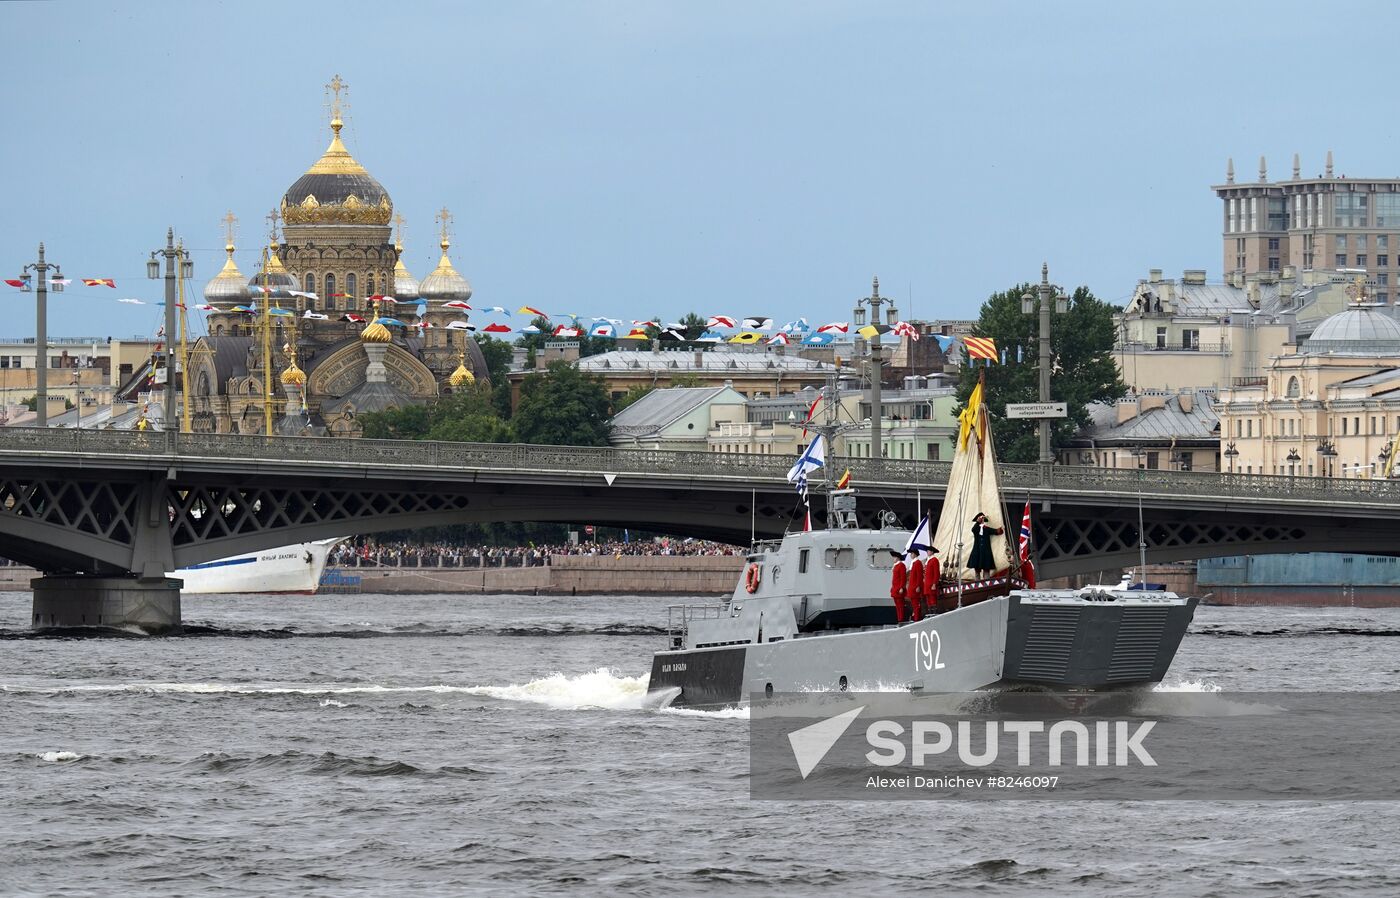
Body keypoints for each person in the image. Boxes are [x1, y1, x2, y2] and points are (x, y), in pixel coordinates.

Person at [968, 512, 1004, 581]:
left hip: (986, 552)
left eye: (983, 519)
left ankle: (986, 583)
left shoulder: (986, 529)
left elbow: (996, 531)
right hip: (977, 551)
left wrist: (1001, 528)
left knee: (986, 570)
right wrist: (978, 522)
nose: (982, 520)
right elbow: (973, 530)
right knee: (977, 570)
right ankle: (977, 584)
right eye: (981, 519)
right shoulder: (976, 528)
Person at [889, 550, 909, 623]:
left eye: (894, 557)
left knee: (900, 605)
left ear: (897, 558)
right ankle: (899, 619)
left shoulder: (901, 565)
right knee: (897, 605)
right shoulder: (896, 566)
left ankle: (901, 619)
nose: (893, 559)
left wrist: (901, 587)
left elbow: (903, 577)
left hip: (899, 588)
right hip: (895, 588)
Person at [922, 546, 941, 613]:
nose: (927, 552)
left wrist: (934, 584)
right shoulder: (928, 560)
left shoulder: (934, 560)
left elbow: (936, 573)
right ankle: (930, 612)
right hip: (927, 583)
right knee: (928, 598)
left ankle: (934, 612)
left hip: (931, 583)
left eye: (928, 551)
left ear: (932, 552)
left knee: (932, 598)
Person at [907, 551, 925, 622]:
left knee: (916, 603)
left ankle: (917, 618)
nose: (911, 555)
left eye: (911, 554)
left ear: (914, 554)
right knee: (914, 603)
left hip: (915, 587)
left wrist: (918, 586)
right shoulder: (914, 563)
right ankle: (915, 616)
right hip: (912, 586)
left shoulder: (917, 563)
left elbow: (919, 576)